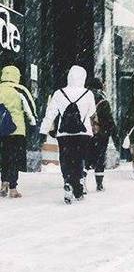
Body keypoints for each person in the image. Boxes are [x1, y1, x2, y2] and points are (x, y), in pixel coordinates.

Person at [40, 65, 95, 204]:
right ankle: (77, 187)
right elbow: (91, 112)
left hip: (63, 133)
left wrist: (43, 130)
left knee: (65, 158)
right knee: (78, 159)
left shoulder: (59, 93)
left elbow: (50, 113)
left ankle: (68, 181)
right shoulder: (88, 93)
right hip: (83, 133)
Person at [0, 64, 37, 199]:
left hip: (1, 130)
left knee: (4, 157)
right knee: (14, 158)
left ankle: (4, 182)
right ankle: (13, 188)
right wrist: (33, 123)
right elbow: (30, 109)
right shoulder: (20, 89)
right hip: (16, 130)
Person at [86, 77, 118, 192]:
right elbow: (109, 121)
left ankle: (81, 182)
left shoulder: (84, 98)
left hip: (86, 134)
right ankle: (99, 184)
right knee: (100, 160)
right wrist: (114, 136)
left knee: (85, 158)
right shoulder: (103, 102)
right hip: (101, 135)